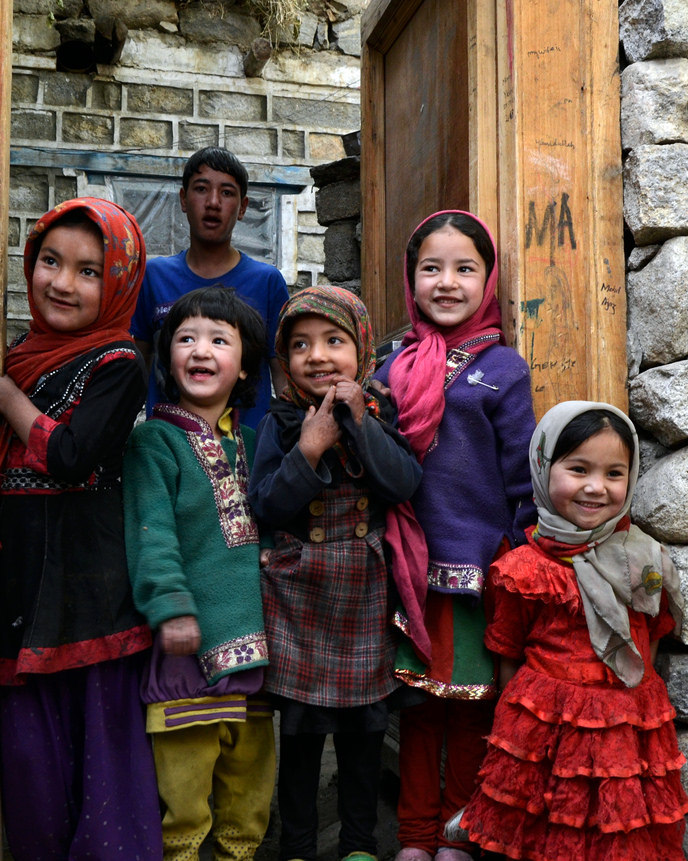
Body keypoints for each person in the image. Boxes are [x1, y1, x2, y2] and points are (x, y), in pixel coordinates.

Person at [0, 197, 162, 860]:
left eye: (90, 271)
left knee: (102, 754)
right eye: (50, 262)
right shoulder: (23, 353)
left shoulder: (119, 363)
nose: (62, 282)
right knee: (33, 762)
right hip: (26, 590)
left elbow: (72, 457)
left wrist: (8, 400)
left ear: (119, 282)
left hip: (91, 592)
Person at [375, 211, 537, 861]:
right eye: (431, 268)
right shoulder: (392, 369)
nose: (447, 282)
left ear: (488, 278)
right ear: (410, 280)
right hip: (408, 568)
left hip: (477, 573)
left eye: (465, 268)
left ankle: (457, 834)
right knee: (415, 711)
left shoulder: (503, 370)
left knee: (471, 710)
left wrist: (524, 562)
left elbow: (523, 478)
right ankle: (413, 836)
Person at [460, 401, 688, 860]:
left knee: (617, 836)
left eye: (613, 473)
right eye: (578, 468)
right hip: (543, 735)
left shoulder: (644, 560)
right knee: (543, 836)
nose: (595, 488)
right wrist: (516, 736)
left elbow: (652, 636)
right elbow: (508, 652)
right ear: (544, 469)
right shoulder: (525, 570)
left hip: (627, 731)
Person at [249, 285, 423, 861]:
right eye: (300, 345)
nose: (317, 356)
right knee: (299, 733)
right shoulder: (278, 421)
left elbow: (403, 484)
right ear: (285, 359)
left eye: (334, 341)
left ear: (362, 350)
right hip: (298, 595)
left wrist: (359, 425)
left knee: (365, 734)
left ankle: (358, 847)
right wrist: (309, 449)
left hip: (364, 592)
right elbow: (268, 507)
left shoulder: (379, 411)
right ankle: (297, 847)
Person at [123, 286, 275, 861]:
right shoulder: (153, 442)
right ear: (165, 361)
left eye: (218, 339)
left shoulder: (257, 444)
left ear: (244, 368)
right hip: (189, 649)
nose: (200, 350)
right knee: (183, 799)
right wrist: (171, 607)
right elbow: (152, 535)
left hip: (256, 652)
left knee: (249, 791)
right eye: (185, 339)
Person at [130, 146, 290, 428]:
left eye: (227, 193)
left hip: (247, 454)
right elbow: (136, 368)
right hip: (169, 451)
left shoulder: (267, 281)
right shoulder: (154, 276)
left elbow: (283, 373)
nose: (213, 202)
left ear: (242, 208)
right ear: (183, 199)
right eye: (201, 189)